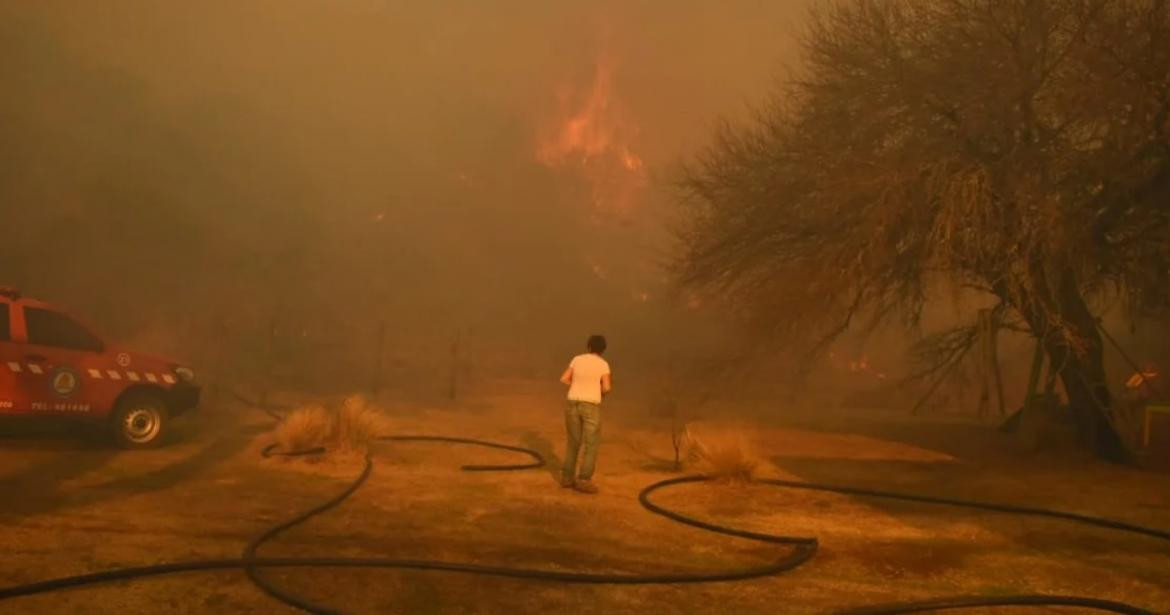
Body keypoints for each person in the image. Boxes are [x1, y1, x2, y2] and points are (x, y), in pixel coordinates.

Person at [559, 334, 612, 494]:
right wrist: (599, 393)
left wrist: (575, 385)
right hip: (591, 405)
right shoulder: (603, 364)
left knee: (573, 442)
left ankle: (567, 478)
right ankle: (583, 480)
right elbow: (607, 387)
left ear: (588, 347)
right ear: (603, 350)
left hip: (572, 402)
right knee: (591, 444)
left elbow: (564, 379)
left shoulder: (577, 359)